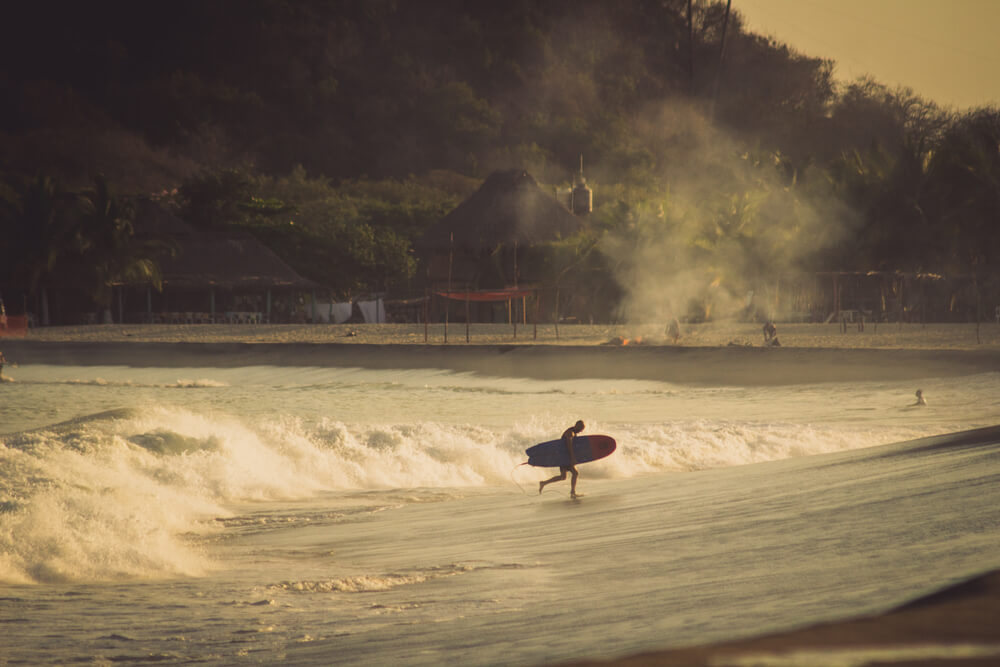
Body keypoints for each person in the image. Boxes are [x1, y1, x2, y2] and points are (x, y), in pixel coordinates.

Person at [539, 420, 585, 498]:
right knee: (575, 473)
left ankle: (543, 483)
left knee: (563, 477)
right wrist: (572, 457)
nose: (581, 431)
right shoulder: (570, 433)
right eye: (581, 429)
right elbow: (569, 445)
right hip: (565, 457)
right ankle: (572, 492)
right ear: (577, 426)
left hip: (563, 456)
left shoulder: (572, 431)